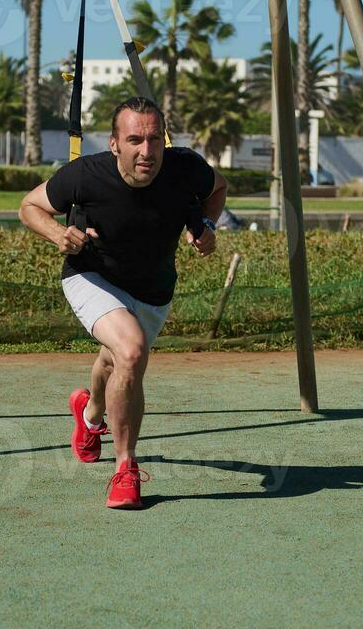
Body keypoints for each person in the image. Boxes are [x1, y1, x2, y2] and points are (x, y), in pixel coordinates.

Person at [18, 97, 227, 509]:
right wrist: (58, 234)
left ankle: (90, 415)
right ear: (114, 144)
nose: (146, 151)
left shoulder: (185, 168)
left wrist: (205, 225)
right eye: (134, 139)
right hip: (91, 276)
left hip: (153, 290)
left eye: (153, 140)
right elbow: (28, 206)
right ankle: (126, 468)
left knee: (116, 360)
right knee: (131, 350)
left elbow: (218, 188)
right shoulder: (86, 175)